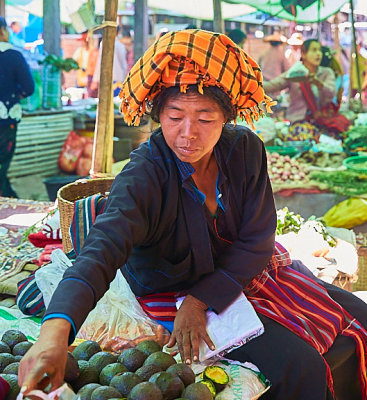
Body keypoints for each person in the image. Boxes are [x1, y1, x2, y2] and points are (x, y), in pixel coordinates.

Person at [19, 30, 367, 400]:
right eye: (175, 116)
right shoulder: (144, 175)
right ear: (157, 115)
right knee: (302, 366)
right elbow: (100, 252)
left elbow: (258, 239)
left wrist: (201, 300)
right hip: (168, 293)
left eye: (205, 118)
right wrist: (53, 336)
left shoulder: (244, 150)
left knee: (359, 315)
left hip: (237, 277)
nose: (188, 135)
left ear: (228, 117)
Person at [263, 38, 351, 139]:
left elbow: (331, 94)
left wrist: (318, 83)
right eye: (314, 50)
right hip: (299, 124)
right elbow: (272, 86)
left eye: (319, 50)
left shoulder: (326, 73)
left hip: (322, 123)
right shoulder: (294, 74)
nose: (318, 54)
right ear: (304, 54)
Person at [0, 16, 34, 198]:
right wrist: (16, 95)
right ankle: (7, 196)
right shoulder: (14, 56)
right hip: (7, 120)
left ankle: (8, 195)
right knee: (2, 161)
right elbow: (29, 87)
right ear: (3, 31)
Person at [91, 26, 128, 97]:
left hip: (109, 80)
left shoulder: (104, 44)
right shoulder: (120, 46)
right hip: (118, 79)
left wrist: (95, 79)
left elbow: (100, 63)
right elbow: (124, 65)